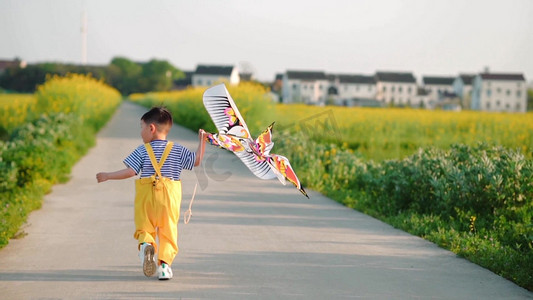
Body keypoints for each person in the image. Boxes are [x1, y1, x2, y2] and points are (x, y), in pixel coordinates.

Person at [96, 106, 207, 280]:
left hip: (146, 198)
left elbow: (130, 172)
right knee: (168, 232)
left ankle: (147, 245)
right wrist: (202, 140)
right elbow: (197, 160)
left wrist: (108, 176)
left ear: (151, 128)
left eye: (141, 127)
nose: (140, 132)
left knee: (144, 228)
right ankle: (164, 267)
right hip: (168, 200)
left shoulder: (142, 150)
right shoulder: (177, 150)